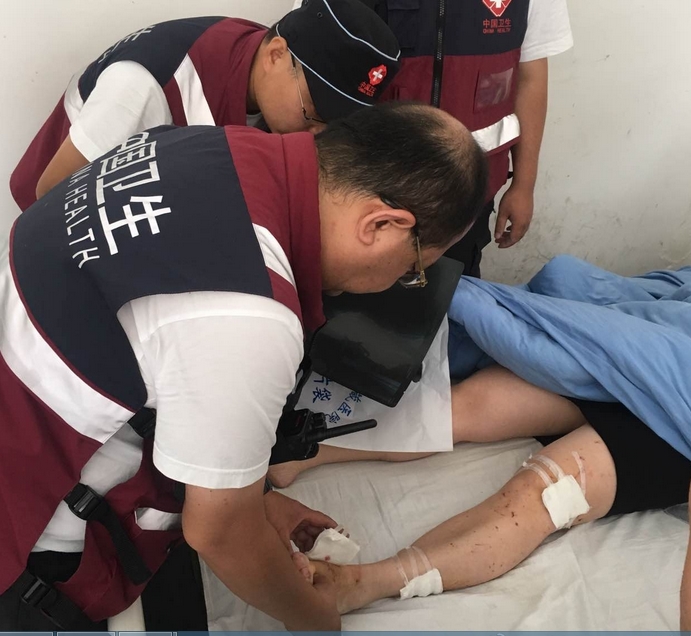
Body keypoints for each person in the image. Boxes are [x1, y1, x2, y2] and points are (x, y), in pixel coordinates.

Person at [0, 102, 488, 632]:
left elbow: (165, 355)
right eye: (412, 270)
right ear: (382, 225)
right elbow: (219, 533)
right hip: (27, 538)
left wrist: (258, 501)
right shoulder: (251, 310)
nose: (399, 282)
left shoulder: (202, 144)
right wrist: (317, 620)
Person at [295, 365, 691, 629]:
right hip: (660, 365)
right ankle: (303, 452)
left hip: (678, 428)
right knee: (469, 403)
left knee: (548, 493)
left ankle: (362, 582)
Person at [10, 0, 401, 211]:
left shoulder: (255, 53)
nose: (318, 132)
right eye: (315, 112)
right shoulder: (147, 85)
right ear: (277, 55)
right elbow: (50, 196)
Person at [293, 0, 573, 275]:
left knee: (448, 294)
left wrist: (524, 185)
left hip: (468, 196)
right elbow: (306, 60)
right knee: (344, 296)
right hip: (361, 189)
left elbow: (530, 77)